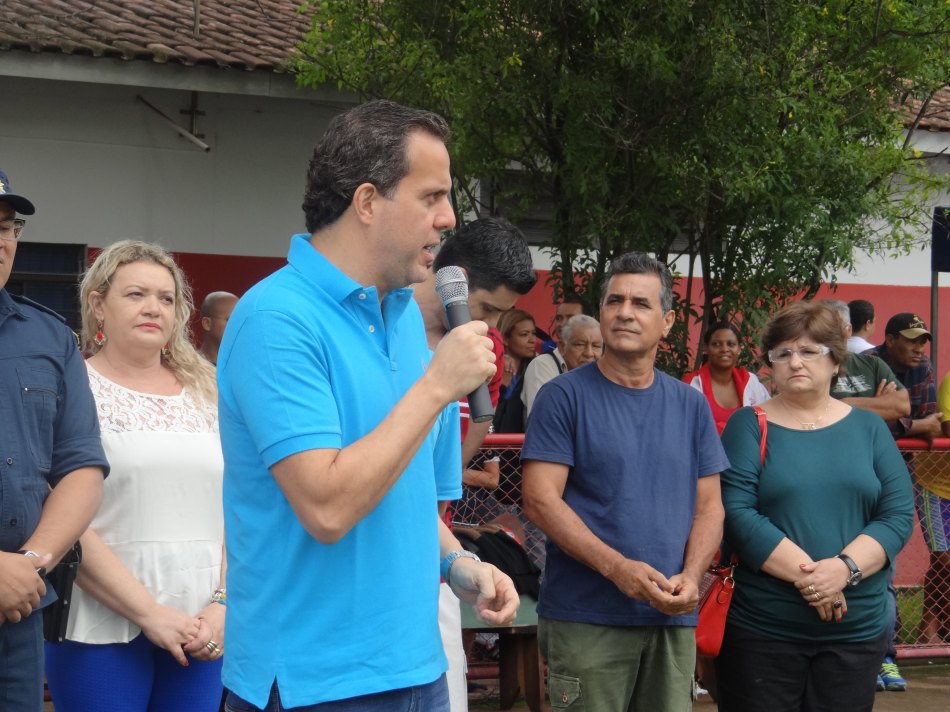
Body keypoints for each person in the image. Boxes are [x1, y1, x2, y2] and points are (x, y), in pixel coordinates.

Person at [216, 99, 519, 711]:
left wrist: (457, 563)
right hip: (314, 681)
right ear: (367, 201)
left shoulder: (402, 316)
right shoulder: (276, 319)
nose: (448, 218)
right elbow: (328, 508)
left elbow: (406, 499)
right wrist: (435, 387)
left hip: (416, 668)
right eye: (432, 196)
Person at [522, 252, 728, 711]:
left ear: (667, 322)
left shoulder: (690, 405)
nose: (625, 312)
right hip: (587, 616)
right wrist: (618, 568)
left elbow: (710, 507)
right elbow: (539, 500)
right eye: (614, 301)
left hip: (670, 615)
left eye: (641, 303)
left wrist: (693, 577)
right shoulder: (562, 396)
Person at [44, 241, 226, 712]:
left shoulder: (211, 391)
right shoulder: (69, 389)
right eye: (135, 294)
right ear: (98, 304)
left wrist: (225, 603)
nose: (153, 308)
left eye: (166, 298)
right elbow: (59, 516)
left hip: (201, 626)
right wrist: (148, 612)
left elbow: (242, 505)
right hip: (98, 625)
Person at [715, 301, 914, 712]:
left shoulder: (869, 428)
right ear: (770, 363)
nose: (795, 362)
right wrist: (816, 580)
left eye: (809, 351)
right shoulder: (748, 424)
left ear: (836, 360)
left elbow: (896, 515)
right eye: (783, 353)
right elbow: (737, 513)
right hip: (764, 630)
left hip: (856, 633)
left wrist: (842, 569)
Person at [412, 216, 536, 712]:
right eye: (486, 309)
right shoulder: (389, 330)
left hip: (437, 546)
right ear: (456, 281)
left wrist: (442, 481)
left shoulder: (482, 344)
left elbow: (474, 428)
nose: (491, 325)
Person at [0, 170, 108, 711]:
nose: (0, 241)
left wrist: (30, 564)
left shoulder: (49, 337)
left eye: (7, 227)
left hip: (17, 613)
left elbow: (81, 468)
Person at [822, 299, 911, 692]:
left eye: (834, 325)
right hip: (827, 481)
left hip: (871, 480)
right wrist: (875, 404)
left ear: (847, 330)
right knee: (829, 567)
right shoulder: (812, 365)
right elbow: (812, 406)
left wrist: (844, 404)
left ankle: (884, 659)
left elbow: (901, 404)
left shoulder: (872, 365)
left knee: (879, 574)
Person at [872, 313, 948, 650]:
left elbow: (930, 421)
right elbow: (865, 422)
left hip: (899, 468)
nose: (919, 349)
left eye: (922, 342)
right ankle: (884, 639)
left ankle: (915, 628)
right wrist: (907, 422)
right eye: (911, 341)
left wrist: (892, 412)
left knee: (894, 551)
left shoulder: (922, 368)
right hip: (866, 467)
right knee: (879, 552)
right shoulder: (868, 364)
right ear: (890, 340)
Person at [682, 321, 770, 435]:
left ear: (740, 348)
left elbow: (769, 419)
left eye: (731, 344)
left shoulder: (750, 381)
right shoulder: (691, 384)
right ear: (705, 348)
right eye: (716, 344)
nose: (724, 349)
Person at [522, 314, 602, 418]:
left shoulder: (599, 374)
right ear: (562, 347)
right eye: (580, 345)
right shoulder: (541, 365)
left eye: (596, 346)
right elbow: (545, 418)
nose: (589, 353)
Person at [492, 308, 537, 434]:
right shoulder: (491, 366)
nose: (532, 340)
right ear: (505, 339)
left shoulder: (536, 367)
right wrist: (502, 386)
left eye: (533, 333)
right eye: (524, 334)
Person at [198, 291, 238, 365]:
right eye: (230, 320)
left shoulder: (245, 366)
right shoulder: (188, 367)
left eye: (239, 321)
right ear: (207, 323)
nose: (238, 326)